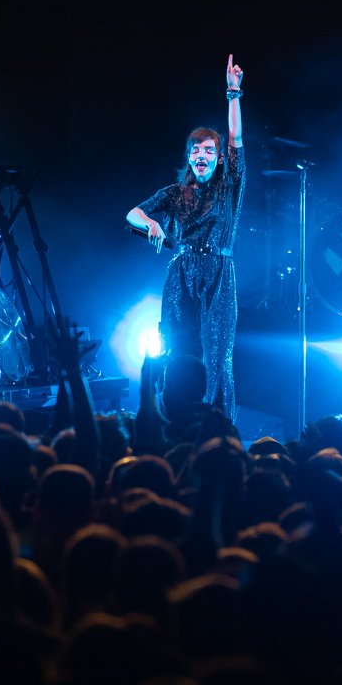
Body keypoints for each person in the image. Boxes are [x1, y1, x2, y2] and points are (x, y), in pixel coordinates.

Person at [126, 55, 245, 419]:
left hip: (219, 274)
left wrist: (233, 92)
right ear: (189, 158)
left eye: (209, 151)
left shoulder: (230, 187)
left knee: (218, 352)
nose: (202, 156)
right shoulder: (176, 192)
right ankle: (175, 418)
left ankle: (218, 423)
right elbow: (132, 213)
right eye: (196, 150)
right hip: (180, 274)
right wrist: (151, 224)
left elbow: (236, 139)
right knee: (179, 350)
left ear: (219, 159)